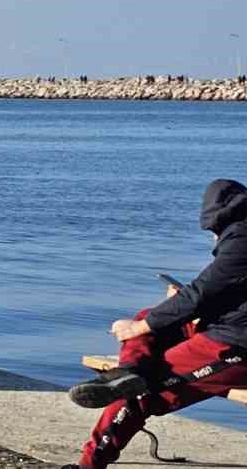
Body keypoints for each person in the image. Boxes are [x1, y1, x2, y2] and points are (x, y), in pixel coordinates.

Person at [63, 179, 247, 469]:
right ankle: (129, 371)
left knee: (140, 392)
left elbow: (200, 294)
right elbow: (218, 290)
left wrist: (144, 326)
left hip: (234, 345)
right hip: (226, 326)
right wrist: (164, 312)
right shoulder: (238, 238)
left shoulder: (241, 240)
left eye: (212, 229)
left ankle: (90, 463)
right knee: (148, 317)